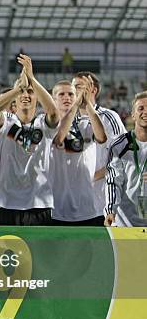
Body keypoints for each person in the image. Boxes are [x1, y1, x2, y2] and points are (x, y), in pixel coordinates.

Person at [0, 54, 59, 226]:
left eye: (30, 92)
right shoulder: (6, 122)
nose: (25, 95)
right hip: (8, 203)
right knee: (8, 253)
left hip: (39, 203)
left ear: (37, 98)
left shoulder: (44, 124)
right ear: (14, 98)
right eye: (22, 92)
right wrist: (18, 88)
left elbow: (54, 113)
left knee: (40, 253)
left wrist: (32, 79)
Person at [50, 79, 107, 226]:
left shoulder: (86, 123)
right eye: (61, 94)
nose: (67, 97)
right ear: (53, 99)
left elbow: (101, 137)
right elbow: (59, 138)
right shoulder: (46, 125)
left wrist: (87, 104)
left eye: (71, 94)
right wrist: (75, 105)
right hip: (57, 208)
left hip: (88, 207)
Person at [72, 71, 126, 219]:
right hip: (73, 205)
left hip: (101, 202)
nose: (74, 91)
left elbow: (121, 157)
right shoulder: (68, 120)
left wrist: (90, 176)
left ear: (93, 90)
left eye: (79, 87)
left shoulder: (109, 117)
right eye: (73, 87)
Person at [105, 91, 147, 227]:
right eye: (141, 108)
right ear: (133, 115)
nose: (145, 112)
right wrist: (110, 209)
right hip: (126, 224)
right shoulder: (119, 145)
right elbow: (113, 180)